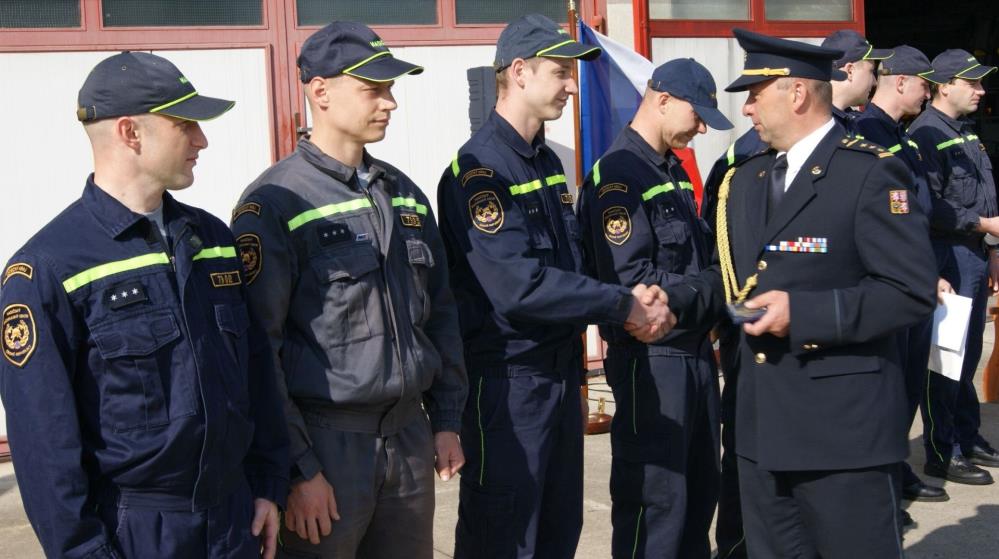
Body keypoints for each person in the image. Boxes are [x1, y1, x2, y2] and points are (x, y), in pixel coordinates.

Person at [0, 52, 289, 558]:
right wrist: (84, 551)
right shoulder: (48, 268)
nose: (201, 140)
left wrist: (267, 484)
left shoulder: (212, 239)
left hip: (233, 520)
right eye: (185, 124)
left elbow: (257, 373)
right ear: (130, 133)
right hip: (135, 533)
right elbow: (44, 442)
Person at [665, 29, 937, 557]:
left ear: (796, 94)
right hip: (760, 430)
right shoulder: (744, 180)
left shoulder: (870, 172)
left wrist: (805, 314)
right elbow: (731, 278)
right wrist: (669, 303)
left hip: (842, 436)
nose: (746, 109)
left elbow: (909, 291)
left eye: (754, 95)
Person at [437, 13, 672, 559]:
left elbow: (572, 263)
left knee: (558, 532)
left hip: (559, 378)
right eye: (561, 72)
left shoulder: (543, 161)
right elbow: (518, 286)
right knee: (505, 537)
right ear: (519, 72)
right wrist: (622, 304)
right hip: (509, 386)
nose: (572, 86)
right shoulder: (479, 171)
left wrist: (635, 301)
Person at [229, 22, 468, 559]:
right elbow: (258, 350)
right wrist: (298, 469)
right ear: (320, 91)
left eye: (391, 89)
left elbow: (440, 313)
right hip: (328, 448)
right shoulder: (275, 203)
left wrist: (447, 419)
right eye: (373, 89)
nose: (390, 103)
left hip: (408, 440)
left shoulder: (404, 194)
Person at [578, 58, 733, 558]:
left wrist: (704, 289)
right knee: (657, 505)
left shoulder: (670, 170)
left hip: (694, 355)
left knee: (699, 495)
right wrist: (711, 288)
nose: (702, 128)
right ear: (663, 100)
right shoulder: (619, 175)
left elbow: (705, 265)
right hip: (653, 362)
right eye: (698, 114)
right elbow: (634, 284)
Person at [854, 46, 952, 504]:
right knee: (889, 385)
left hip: (913, 271)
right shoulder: (866, 131)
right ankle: (884, 482)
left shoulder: (902, 135)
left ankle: (897, 471)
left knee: (910, 378)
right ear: (899, 81)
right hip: (890, 276)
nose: (928, 94)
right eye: (924, 85)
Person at [909, 49, 999, 486]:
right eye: (972, 82)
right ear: (944, 86)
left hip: (975, 253)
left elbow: (985, 196)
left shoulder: (964, 133)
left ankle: (967, 434)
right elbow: (931, 207)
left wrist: (993, 248)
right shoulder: (926, 135)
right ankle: (944, 451)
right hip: (948, 254)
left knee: (968, 356)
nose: (981, 90)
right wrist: (984, 225)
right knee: (945, 359)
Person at [820, 29, 893, 133]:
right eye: (871, 71)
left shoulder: (846, 121)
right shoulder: (818, 125)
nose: (875, 82)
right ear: (850, 71)